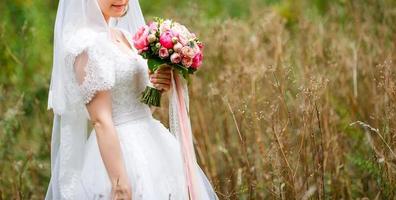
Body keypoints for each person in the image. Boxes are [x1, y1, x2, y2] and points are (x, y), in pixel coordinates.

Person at [45, 0, 218, 199]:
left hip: (152, 141)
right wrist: (119, 183)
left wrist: (157, 88)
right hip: (119, 152)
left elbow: (140, 106)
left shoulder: (124, 37)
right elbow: (100, 120)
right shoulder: (86, 44)